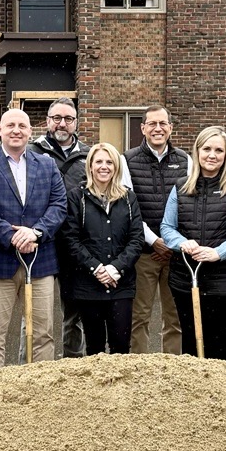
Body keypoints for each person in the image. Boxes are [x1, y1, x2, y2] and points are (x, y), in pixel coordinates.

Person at [0, 108, 67, 372]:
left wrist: (34, 232)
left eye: (22, 126)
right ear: (0, 129)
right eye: (10, 125)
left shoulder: (46, 164)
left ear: (30, 131)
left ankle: (38, 393)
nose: (16, 130)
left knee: (43, 333)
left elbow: (59, 205)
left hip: (40, 260)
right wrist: (12, 236)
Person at [160, 126, 226, 361]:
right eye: (207, 149)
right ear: (197, 151)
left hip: (225, 281)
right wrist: (183, 243)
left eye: (219, 150)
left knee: (222, 347)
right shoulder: (181, 186)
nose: (212, 155)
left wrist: (218, 253)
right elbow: (167, 227)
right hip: (186, 279)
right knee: (191, 344)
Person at [59, 142, 144, 355]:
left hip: (121, 284)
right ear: (90, 166)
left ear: (116, 167)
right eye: (98, 162)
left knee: (121, 346)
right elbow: (71, 239)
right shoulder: (76, 197)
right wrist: (96, 268)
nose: (103, 166)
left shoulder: (128, 197)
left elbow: (136, 239)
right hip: (89, 285)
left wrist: (115, 268)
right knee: (94, 348)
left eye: (109, 162)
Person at [120, 106, 191, 354]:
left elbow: (189, 207)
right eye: (152, 124)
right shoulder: (126, 160)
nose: (158, 128)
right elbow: (129, 209)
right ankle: (139, 372)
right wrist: (154, 241)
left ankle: (171, 371)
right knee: (139, 317)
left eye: (163, 123)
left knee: (175, 318)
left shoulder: (186, 160)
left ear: (171, 127)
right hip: (143, 255)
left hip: (175, 255)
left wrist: (172, 243)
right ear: (143, 128)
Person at [27, 97, 91, 357]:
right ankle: (31, 368)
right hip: (40, 241)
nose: (62, 124)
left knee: (74, 312)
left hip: (75, 243)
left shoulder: (90, 155)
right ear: (47, 121)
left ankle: (72, 369)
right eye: (56, 118)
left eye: (68, 119)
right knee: (34, 316)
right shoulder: (31, 152)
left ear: (76, 122)